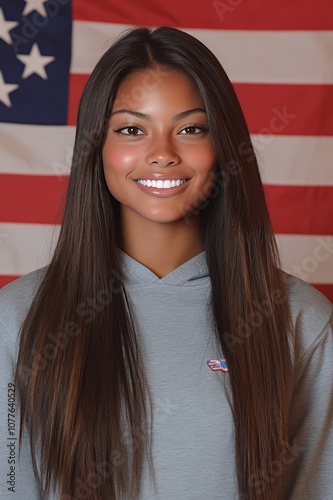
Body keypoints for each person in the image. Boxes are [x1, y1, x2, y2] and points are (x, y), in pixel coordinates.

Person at [0, 26, 332, 500]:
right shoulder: (16, 319)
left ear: (223, 148)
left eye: (191, 128)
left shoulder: (301, 318)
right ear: (98, 147)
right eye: (132, 129)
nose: (162, 154)